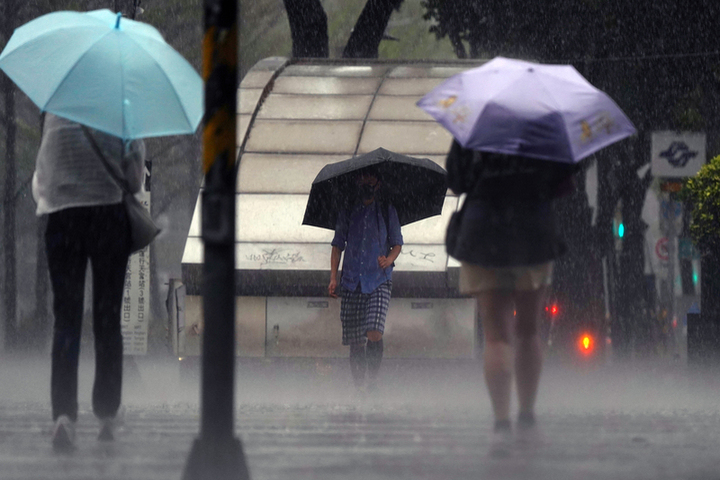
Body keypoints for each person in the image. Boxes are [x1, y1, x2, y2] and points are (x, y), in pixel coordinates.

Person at [445, 139, 578, 433]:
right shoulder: (542, 127)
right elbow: (563, 181)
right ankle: (527, 413)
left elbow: (456, 181)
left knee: (496, 337)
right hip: (533, 229)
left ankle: (502, 419)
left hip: (483, 232)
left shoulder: (477, 127)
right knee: (528, 330)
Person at [33, 113, 145, 450]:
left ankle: (63, 415)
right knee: (107, 318)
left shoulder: (55, 111)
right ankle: (108, 412)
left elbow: (42, 178)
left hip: (61, 217)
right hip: (108, 218)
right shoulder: (122, 109)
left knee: (65, 318)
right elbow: (136, 180)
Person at [328, 168, 403, 393]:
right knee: (355, 340)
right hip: (351, 280)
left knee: (374, 331)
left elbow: (397, 243)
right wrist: (333, 277)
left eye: (371, 181)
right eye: (364, 181)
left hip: (378, 280)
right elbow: (337, 245)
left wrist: (388, 259)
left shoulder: (386, 211)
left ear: (378, 184)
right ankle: (359, 386)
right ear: (357, 183)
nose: (367, 185)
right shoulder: (349, 210)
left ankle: (373, 379)